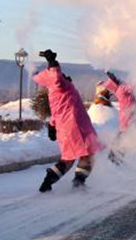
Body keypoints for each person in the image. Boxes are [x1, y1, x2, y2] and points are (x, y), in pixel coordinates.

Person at [34, 49, 103, 192]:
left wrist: (52, 126)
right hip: (76, 128)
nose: (65, 76)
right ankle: (78, 183)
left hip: (66, 128)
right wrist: (52, 63)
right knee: (87, 155)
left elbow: (56, 112)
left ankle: (47, 183)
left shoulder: (54, 91)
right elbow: (57, 78)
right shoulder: (59, 86)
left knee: (68, 158)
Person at [102, 71, 136, 164]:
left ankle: (115, 161)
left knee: (121, 142)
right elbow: (132, 88)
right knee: (123, 142)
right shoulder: (123, 91)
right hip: (129, 123)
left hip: (128, 123)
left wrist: (115, 80)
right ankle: (115, 161)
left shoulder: (123, 91)